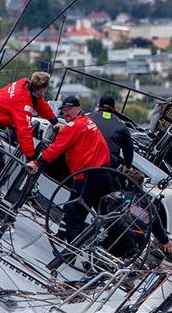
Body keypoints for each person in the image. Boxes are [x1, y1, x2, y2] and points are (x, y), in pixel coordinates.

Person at [26, 96, 111, 269]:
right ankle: (97, 252)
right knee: (91, 213)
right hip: (101, 173)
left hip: (88, 175)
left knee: (73, 214)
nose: (65, 113)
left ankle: (70, 255)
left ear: (78, 109)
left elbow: (55, 149)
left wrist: (37, 163)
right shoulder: (86, 122)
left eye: (68, 109)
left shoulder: (73, 127)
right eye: (63, 110)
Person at [87, 94, 134, 171]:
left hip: (86, 167)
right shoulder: (121, 124)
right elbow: (129, 147)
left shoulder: (86, 119)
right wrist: (128, 165)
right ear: (113, 108)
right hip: (108, 169)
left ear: (98, 106)